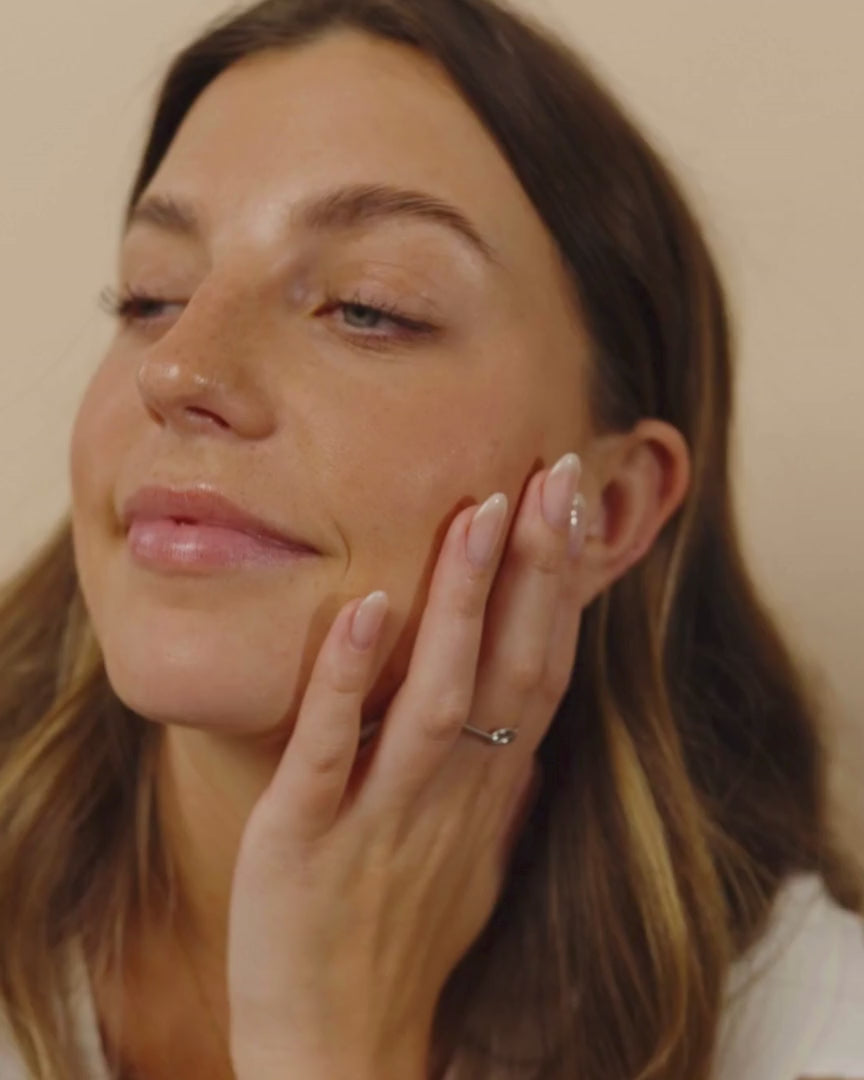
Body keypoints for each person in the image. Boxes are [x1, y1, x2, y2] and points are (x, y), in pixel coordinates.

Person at [1, 0, 862, 1077]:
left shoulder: (817, 1031)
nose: (178, 371)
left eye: (371, 307)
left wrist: (332, 1048)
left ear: (615, 512)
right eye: (151, 295)